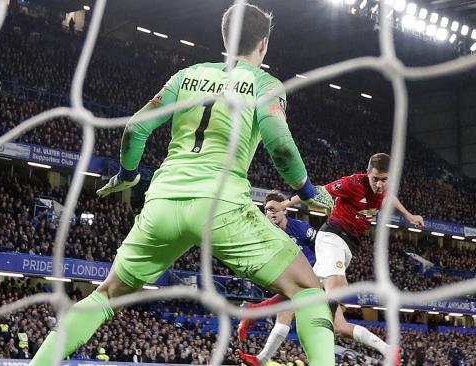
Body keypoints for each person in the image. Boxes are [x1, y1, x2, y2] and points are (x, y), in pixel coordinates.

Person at [28, 4, 336, 365]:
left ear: (224, 38)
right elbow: (281, 146)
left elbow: (135, 129)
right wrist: (309, 193)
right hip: (220, 207)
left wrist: (128, 175)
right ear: (264, 44)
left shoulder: (186, 76)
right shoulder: (264, 84)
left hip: (162, 203)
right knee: (308, 291)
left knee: (106, 294)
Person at [239, 153, 424, 365]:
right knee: (338, 285)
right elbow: (318, 191)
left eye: (384, 179)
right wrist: (287, 203)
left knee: (313, 298)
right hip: (332, 237)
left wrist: (409, 216)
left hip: (349, 246)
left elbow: (388, 197)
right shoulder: (353, 183)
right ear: (367, 174)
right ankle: (317, 331)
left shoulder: (385, 187)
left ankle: (257, 327)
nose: (379, 184)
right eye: (375, 179)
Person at [237, 191, 317, 366]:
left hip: (316, 275)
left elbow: (322, 245)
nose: (270, 213)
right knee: (285, 314)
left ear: (284, 211)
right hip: (295, 281)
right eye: (267, 210)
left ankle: (255, 312)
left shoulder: (300, 228)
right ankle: (262, 358)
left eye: (274, 209)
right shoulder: (267, 235)